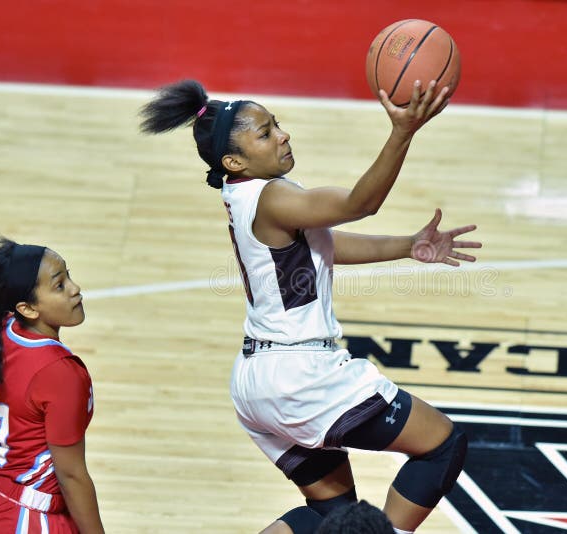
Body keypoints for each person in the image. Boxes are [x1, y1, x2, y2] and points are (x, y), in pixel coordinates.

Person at [140, 78, 479, 533]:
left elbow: (325, 246)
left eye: (276, 125)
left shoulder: (247, 194)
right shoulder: (274, 196)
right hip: (300, 376)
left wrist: (407, 246)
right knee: (442, 442)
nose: (282, 135)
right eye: (264, 133)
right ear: (233, 160)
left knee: (331, 516)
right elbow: (362, 203)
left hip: (257, 379)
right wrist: (404, 131)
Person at [0, 238, 104, 534]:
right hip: (31, 521)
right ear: (27, 308)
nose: (75, 289)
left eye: (68, 276)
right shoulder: (61, 372)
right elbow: (71, 474)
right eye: (59, 285)